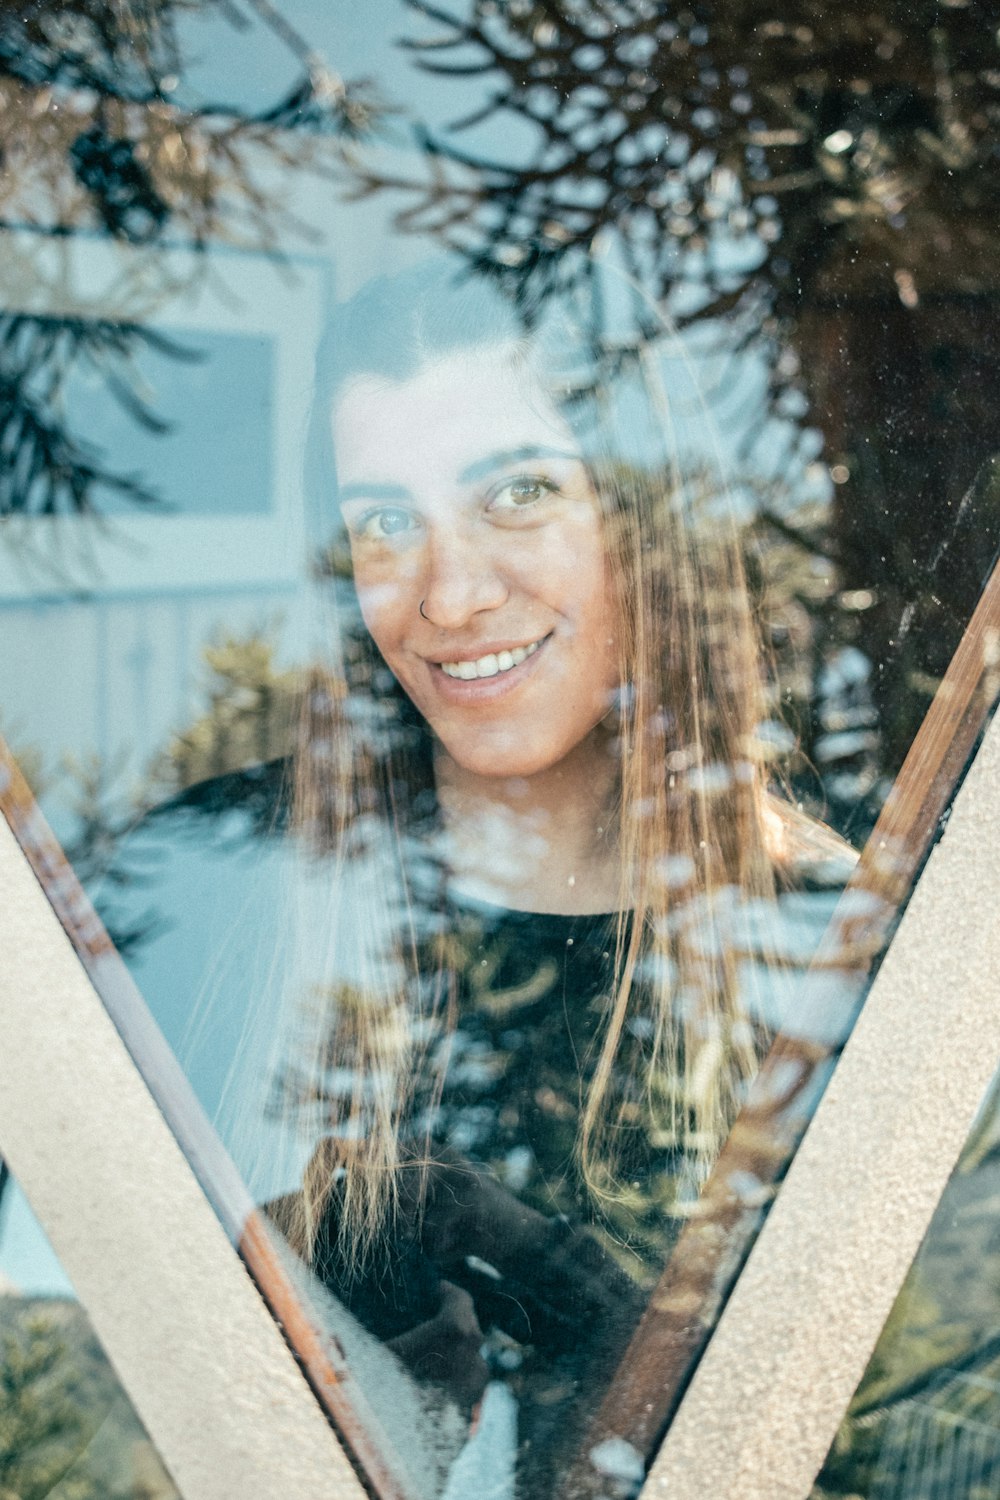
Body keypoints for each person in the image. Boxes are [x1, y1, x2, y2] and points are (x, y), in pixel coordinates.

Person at [247, 259, 848, 1495]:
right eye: (382, 522)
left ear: (645, 523)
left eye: (516, 493)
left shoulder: (837, 947)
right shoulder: (218, 887)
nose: (451, 595)